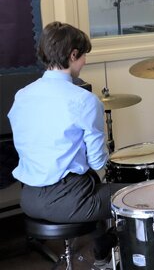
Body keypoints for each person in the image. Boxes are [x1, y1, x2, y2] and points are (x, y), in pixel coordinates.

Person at [9, 22, 122, 269]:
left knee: (92, 183)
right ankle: (121, 257)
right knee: (135, 193)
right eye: (83, 57)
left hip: (28, 197)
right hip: (68, 201)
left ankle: (102, 254)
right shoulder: (84, 100)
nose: (84, 63)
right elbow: (97, 162)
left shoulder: (22, 95)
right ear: (73, 54)